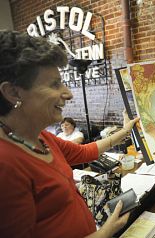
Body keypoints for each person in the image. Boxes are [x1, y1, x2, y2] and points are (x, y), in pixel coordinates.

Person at [0, 30, 139, 238]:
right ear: (13, 93)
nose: (68, 93)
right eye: (54, 84)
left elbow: (84, 152)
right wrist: (105, 233)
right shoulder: (6, 165)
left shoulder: (41, 138)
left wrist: (124, 131)